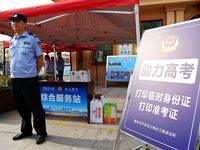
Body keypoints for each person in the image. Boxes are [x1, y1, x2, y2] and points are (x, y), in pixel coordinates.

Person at [9, 14, 47, 144]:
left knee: (35, 107)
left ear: (25, 24)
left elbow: (40, 59)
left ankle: (41, 132)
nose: (15, 23)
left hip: (29, 79)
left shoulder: (33, 39)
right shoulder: (11, 41)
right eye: (13, 22)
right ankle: (26, 131)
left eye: (18, 21)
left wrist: (33, 73)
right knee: (21, 106)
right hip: (15, 79)